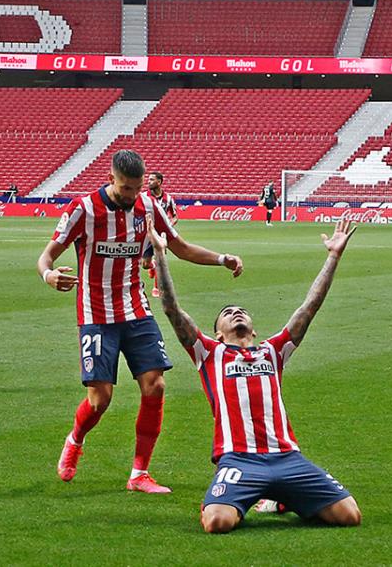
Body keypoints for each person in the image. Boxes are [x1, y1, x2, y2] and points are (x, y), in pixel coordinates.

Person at [35, 150, 244, 494]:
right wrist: (48, 276)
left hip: (136, 309)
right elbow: (47, 255)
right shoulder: (83, 210)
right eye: (125, 188)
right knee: (100, 399)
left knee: (156, 385)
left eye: (136, 188)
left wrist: (222, 258)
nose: (132, 196)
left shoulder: (148, 205)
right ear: (110, 178)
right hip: (96, 314)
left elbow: (181, 248)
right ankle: (75, 439)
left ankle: (139, 474)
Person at [147, 216, 362, 533]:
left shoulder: (273, 351)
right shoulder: (209, 353)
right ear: (217, 334)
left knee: (349, 515)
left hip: (287, 458)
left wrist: (333, 256)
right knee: (217, 523)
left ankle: (282, 496)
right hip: (239, 460)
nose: (235, 313)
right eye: (226, 314)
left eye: (240, 311)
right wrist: (161, 255)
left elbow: (309, 306)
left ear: (254, 328)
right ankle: (245, 495)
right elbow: (171, 309)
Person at [140, 171, 178, 298]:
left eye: (151, 180)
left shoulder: (168, 199)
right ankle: (152, 267)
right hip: (146, 235)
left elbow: (174, 217)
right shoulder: (143, 196)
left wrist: (168, 226)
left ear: (159, 182)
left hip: (160, 236)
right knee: (145, 264)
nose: (148, 182)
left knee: (159, 258)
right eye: (148, 179)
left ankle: (157, 288)